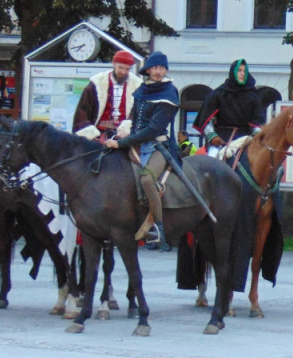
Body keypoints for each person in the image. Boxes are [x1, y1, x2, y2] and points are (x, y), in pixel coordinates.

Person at [106, 51, 180, 248]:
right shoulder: (142, 89)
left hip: (157, 145)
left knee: (147, 179)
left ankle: (158, 228)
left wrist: (122, 143)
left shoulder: (169, 93)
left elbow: (152, 130)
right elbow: (135, 120)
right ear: (148, 70)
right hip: (135, 142)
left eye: (162, 68)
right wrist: (122, 133)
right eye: (155, 67)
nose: (158, 71)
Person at [193, 58, 265, 147]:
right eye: (239, 70)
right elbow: (205, 117)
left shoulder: (253, 96)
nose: (243, 74)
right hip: (221, 139)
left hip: (245, 140)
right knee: (211, 158)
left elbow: (258, 119)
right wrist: (212, 136)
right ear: (233, 72)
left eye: (245, 71)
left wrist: (256, 133)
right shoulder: (219, 93)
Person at [72, 50, 141, 142]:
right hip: (98, 134)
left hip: (125, 136)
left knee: (137, 156)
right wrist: (90, 133)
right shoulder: (97, 83)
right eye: (121, 68)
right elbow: (83, 111)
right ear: (114, 64)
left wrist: (128, 127)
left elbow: (139, 112)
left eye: (127, 69)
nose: (124, 72)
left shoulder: (137, 86)